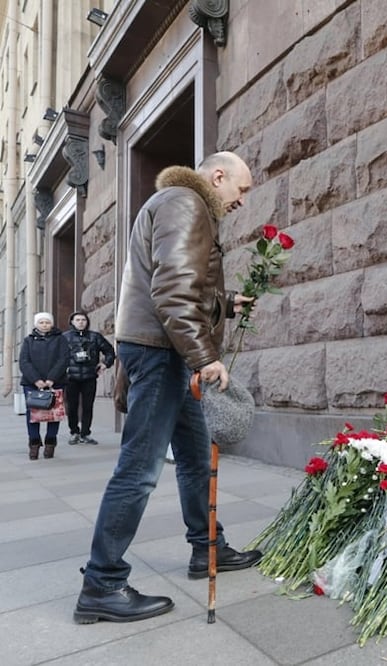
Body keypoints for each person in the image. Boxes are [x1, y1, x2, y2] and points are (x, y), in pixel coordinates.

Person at [75, 152, 261, 624]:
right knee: (138, 471)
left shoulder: (174, 202)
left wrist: (225, 301)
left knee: (196, 459)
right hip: (164, 353)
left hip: (161, 350)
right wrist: (206, 357)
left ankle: (207, 548)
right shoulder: (186, 203)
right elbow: (173, 289)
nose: (242, 200)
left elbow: (175, 284)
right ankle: (102, 582)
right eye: (240, 190)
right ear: (217, 176)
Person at [20, 312, 69, 460]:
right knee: (32, 414)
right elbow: (24, 361)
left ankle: (50, 443)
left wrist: (51, 379)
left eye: (47, 322)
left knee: (54, 414)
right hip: (31, 383)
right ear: (36, 324)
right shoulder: (28, 340)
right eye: (41, 322)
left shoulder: (60, 339)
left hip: (55, 382)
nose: (44, 325)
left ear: (51, 323)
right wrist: (36, 380)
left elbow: (63, 359)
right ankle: (34, 444)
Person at [63, 311, 116, 445]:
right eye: (78, 320)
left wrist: (105, 364)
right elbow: (56, 356)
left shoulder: (95, 337)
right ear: (72, 322)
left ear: (87, 322)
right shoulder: (65, 337)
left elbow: (110, 351)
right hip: (71, 377)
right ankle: (74, 432)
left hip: (89, 376)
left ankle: (85, 433)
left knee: (88, 406)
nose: (81, 322)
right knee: (72, 406)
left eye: (83, 320)